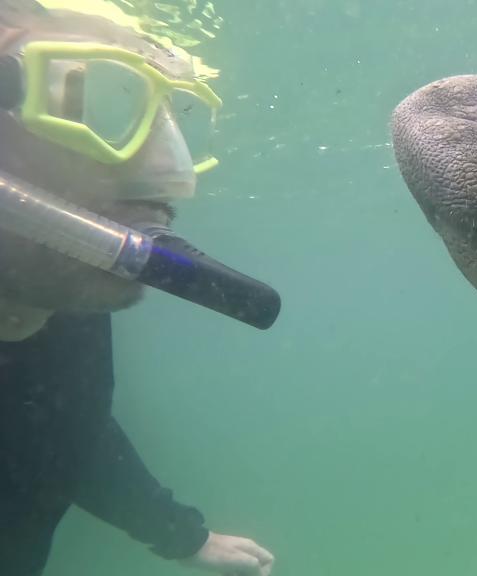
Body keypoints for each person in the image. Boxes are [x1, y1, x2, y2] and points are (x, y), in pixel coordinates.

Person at [0, 1, 277, 574]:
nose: (166, 176)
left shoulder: (59, 296)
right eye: (85, 103)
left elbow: (62, 434)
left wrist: (179, 535)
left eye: (170, 118)